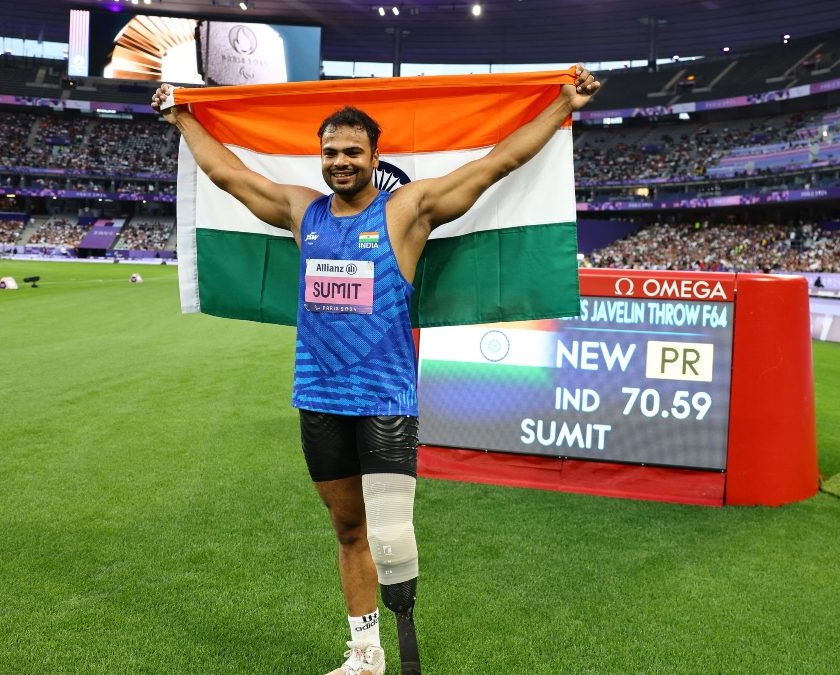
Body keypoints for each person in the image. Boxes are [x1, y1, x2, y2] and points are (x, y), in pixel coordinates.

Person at [152, 66, 600, 675]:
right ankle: (365, 652)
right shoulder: (303, 212)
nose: (340, 162)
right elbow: (228, 175)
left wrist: (561, 105)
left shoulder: (406, 211)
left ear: (374, 156)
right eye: (330, 152)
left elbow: (496, 164)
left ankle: (406, 646)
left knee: (390, 535)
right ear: (320, 157)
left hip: (385, 398)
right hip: (318, 396)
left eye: (352, 152)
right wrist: (183, 119)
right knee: (347, 529)